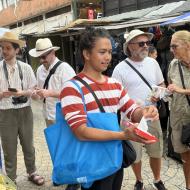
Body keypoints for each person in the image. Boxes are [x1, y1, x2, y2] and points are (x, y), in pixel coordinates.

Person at [60, 26, 159, 190]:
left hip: (114, 159)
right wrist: (122, 135)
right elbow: (80, 132)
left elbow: (133, 111)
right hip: (90, 162)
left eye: (109, 52)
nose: (107, 57)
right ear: (86, 54)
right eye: (102, 52)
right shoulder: (72, 88)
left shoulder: (114, 85)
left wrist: (146, 112)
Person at [112, 29, 167, 190]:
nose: (146, 47)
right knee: (135, 154)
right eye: (141, 44)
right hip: (130, 121)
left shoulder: (153, 63)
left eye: (147, 43)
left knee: (156, 151)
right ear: (130, 47)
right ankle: (139, 180)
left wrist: (159, 94)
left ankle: (157, 179)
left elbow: (161, 84)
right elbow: (116, 98)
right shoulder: (120, 69)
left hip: (152, 116)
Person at [29, 38, 79, 190]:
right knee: (56, 146)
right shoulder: (39, 70)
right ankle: (62, 175)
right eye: (40, 57)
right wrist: (35, 94)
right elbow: (40, 95)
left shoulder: (65, 69)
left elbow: (74, 93)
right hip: (48, 114)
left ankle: (74, 180)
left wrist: (50, 92)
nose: (42, 60)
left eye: (44, 56)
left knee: (68, 147)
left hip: (64, 115)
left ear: (53, 53)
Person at [0, 31, 44, 185]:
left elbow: (34, 92)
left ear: (16, 50)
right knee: (9, 148)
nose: (4, 51)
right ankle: (11, 179)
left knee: (28, 144)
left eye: (8, 48)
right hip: (5, 113)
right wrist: (2, 95)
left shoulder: (25, 68)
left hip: (25, 110)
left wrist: (22, 92)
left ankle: (32, 172)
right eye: (2, 48)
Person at [167, 30, 190, 190]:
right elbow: (171, 88)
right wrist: (163, 94)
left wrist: (182, 90)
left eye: (174, 46)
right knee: (185, 159)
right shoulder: (173, 64)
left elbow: (179, 90)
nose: (171, 50)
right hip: (179, 119)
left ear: (187, 45)